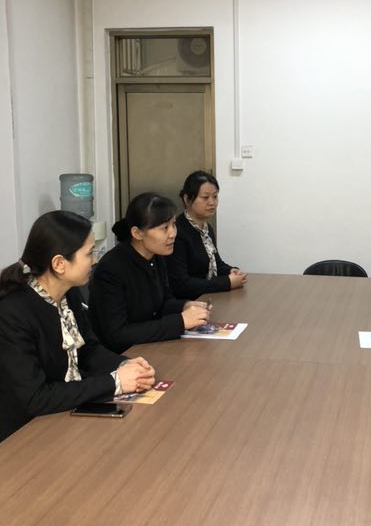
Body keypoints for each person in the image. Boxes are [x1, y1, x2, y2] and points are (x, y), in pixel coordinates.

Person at [0, 211, 156, 442]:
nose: (94, 260)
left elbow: (88, 350)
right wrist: (115, 382)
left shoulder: (68, 293)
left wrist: (124, 365)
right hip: (25, 434)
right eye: (89, 253)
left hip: (65, 414)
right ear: (59, 264)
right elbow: (35, 398)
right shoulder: (12, 313)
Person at [89, 193, 211, 354]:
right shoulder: (111, 269)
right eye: (164, 228)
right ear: (137, 233)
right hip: (124, 355)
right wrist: (180, 321)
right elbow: (117, 335)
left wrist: (185, 306)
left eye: (173, 225)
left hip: (151, 346)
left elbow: (163, 303)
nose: (173, 233)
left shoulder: (156, 256)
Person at [167, 170, 247, 299]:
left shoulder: (207, 228)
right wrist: (227, 282)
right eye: (205, 197)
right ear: (187, 199)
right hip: (189, 301)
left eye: (215, 196)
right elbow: (181, 284)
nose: (212, 202)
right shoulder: (177, 232)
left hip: (209, 296)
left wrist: (231, 271)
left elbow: (216, 263)